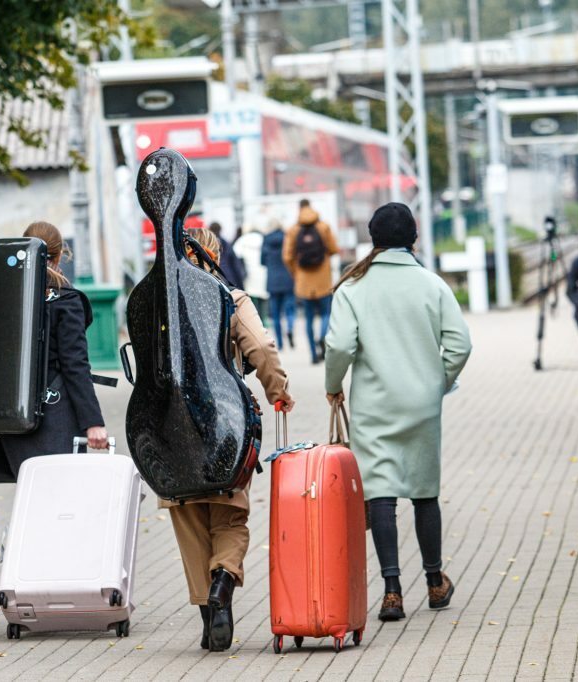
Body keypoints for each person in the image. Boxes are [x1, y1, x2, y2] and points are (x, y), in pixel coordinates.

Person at [324, 202, 471, 622]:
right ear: (414, 238)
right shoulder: (431, 284)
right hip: (423, 405)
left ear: (373, 239)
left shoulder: (353, 288)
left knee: (381, 493)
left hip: (373, 405)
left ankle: (391, 592)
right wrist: (436, 383)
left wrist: (333, 386)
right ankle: (434, 581)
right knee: (425, 491)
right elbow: (460, 344)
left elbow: (339, 347)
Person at [161, 227, 294, 652]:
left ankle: (209, 616)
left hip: (169, 428)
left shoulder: (160, 302)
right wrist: (278, 391)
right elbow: (260, 348)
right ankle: (222, 581)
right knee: (230, 516)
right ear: (213, 253)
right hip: (225, 425)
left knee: (188, 517)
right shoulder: (230, 298)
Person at [0, 221, 108, 475]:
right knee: (61, 501)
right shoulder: (67, 301)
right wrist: (93, 422)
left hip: (11, 419)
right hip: (58, 418)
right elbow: (75, 366)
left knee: (30, 497)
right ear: (58, 256)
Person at [283, 199, 339, 363]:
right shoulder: (323, 227)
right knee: (325, 314)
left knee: (308, 319)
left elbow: (287, 256)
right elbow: (334, 249)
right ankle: (322, 336)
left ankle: (313, 355)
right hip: (324, 281)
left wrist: (296, 273)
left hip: (304, 282)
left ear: (299, 209)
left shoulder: (293, 230)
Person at [261, 218, 296, 350]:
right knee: (290, 309)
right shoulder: (287, 237)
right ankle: (290, 328)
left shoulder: (266, 240)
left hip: (273, 280)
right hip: (288, 279)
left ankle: (280, 343)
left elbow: (262, 261)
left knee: (275, 314)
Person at [232, 226, 269, 321]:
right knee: (263, 298)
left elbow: (235, 254)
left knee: (251, 298)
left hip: (249, 273)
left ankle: (253, 320)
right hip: (263, 273)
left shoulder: (243, 240)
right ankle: (263, 319)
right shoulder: (263, 239)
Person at [208, 221, 246, 289]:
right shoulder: (226, 244)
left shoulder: (205, 244)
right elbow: (236, 266)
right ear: (220, 230)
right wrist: (241, 287)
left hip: (212, 279)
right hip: (228, 279)